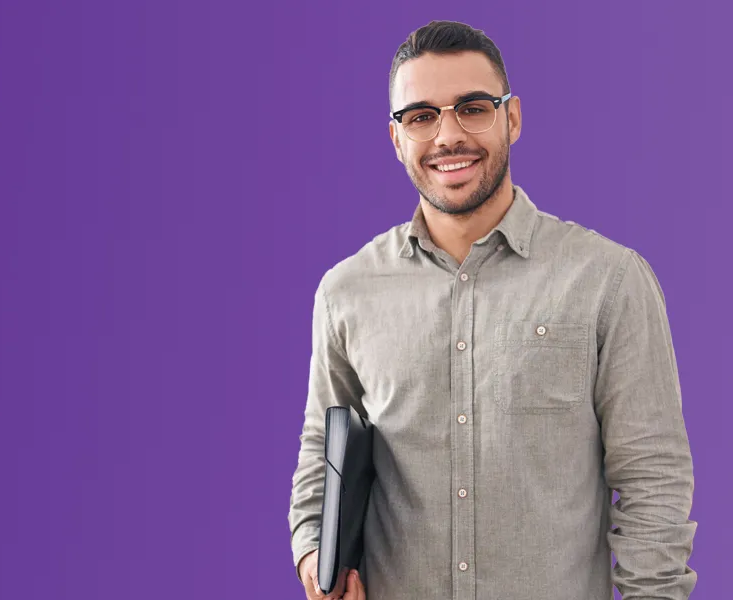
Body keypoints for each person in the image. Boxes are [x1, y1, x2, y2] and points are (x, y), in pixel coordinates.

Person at [287, 20, 697, 600]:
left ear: (513, 117)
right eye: (421, 116)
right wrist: (314, 555)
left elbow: (652, 481)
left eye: (473, 107)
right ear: (396, 138)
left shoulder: (609, 279)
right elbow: (320, 450)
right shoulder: (346, 291)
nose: (447, 135)